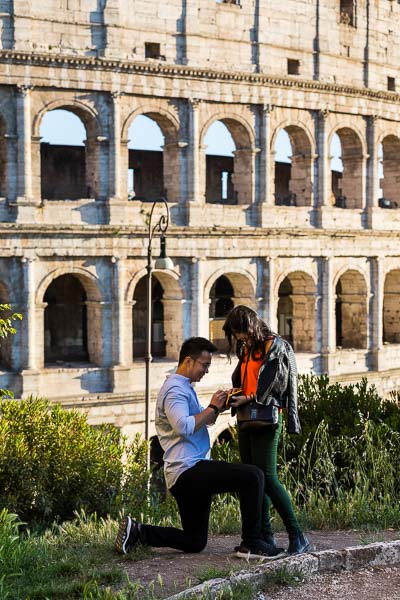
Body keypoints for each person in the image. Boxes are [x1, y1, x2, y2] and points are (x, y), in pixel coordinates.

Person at [115, 336, 285, 559]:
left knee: (194, 541)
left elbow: (194, 421)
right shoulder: (175, 390)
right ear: (188, 361)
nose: (206, 370)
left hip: (184, 474)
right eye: (204, 365)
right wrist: (213, 406)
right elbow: (184, 426)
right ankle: (252, 543)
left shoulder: (183, 387)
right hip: (188, 470)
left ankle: (138, 532)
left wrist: (217, 409)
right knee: (254, 476)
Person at [222, 305, 311, 555]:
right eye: (235, 333)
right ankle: (264, 538)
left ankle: (298, 535)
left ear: (250, 325)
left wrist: (247, 398)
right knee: (252, 479)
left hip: (267, 418)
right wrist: (233, 395)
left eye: (240, 331)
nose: (238, 337)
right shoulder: (247, 349)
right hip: (245, 418)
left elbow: (274, 386)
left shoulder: (275, 346)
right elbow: (246, 382)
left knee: (269, 478)